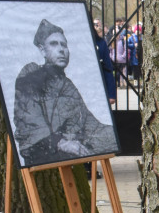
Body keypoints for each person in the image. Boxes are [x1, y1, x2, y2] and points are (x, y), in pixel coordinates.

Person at [13, 18, 117, 167]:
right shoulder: (30, 75)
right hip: (44, 154)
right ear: (42, 50)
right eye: (54, 44)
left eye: (64, 45)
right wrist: (61, 143)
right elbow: (30, 120)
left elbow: (88, 123)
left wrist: (113, 137)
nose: (61, 49)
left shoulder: (67, 84)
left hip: (70, 152)